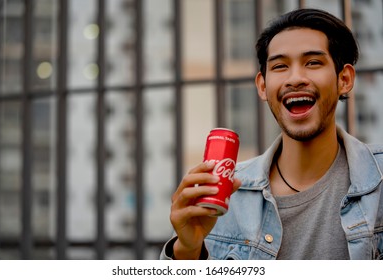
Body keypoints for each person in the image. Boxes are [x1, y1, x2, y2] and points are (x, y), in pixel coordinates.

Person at [161, 8, 383, 260]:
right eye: (279, 66)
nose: (295, 78)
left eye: (312, 62)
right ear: (263, 86)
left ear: (344, 79)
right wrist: (187, 252)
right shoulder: (226, 197)